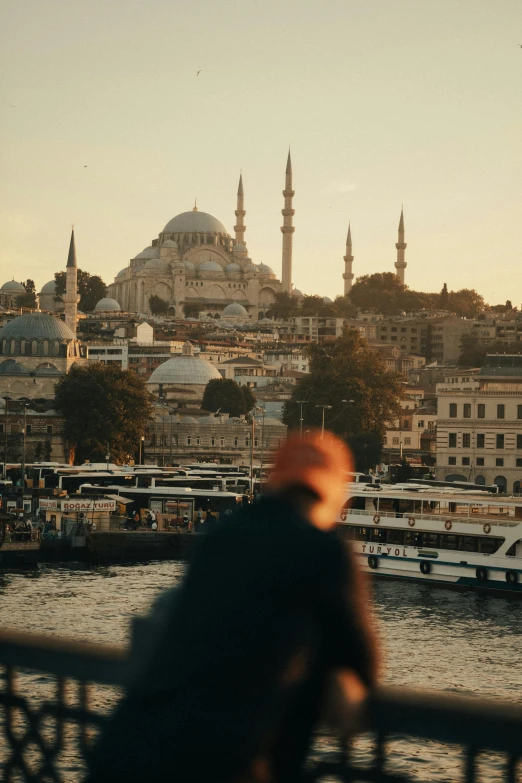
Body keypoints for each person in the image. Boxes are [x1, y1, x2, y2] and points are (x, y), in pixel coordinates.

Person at [86, 430, 379, 783]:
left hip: (129, 745)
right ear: (337, 495)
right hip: (216, 759)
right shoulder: (325, 551)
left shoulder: (221, 535)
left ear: (275, 480)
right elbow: (361, 654)